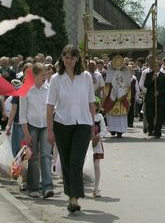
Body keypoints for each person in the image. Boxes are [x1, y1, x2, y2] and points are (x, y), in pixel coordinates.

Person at [47, 44, 96, 213]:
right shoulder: (56, 79)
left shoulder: (86, 77)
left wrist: (93, 126)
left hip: (82, 123)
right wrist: (50, 130)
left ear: (77, 59)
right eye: (66, 57)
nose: (69, 60)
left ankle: (74, 197)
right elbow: (50, 106)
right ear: (62, 58)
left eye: (72, 57)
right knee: (67, 163)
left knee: (76, 161)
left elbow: (91, 102)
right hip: (61, 124)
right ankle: (71, 197)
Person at [19, 63, 54, 199]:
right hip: (31, 126)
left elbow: (53, 109)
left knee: (46, 155)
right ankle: (33, 188)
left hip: (46, 126)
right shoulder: (26, 90)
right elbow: (22, 114)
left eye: (46, 75)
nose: (45, 78)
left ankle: (47, 187)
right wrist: (26, 133)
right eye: (42, 75)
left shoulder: (49, 89)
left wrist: (52, 128)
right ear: (34, 75)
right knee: (32, 157)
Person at [103, 54, 133, 138]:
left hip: (122, 98)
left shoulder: (126, 70)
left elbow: (128, 83)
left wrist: (122, 89)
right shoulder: (110, 70)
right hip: (112, 95)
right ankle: (112, 129)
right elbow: (107, 82)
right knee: (112, 113)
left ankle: (120, 131)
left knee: (121, 115)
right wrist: (111, 87)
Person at [144, 60, 165, 138]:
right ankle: (150, 128)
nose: (154, 67)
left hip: (160, 100)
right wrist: (152, 79)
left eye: (156, 66)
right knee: (149, 115)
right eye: (153, 66)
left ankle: (157, 130)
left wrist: (159, 93)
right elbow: (146, 85)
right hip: (150, 99)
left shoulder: (164, 76)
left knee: (160, 117)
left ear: (159, 66)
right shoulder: (149, 75)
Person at [92, 97, 107, 198]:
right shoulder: (84, 116)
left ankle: (96, 188)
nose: (93, 107)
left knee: (96, 165)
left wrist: (99, 136)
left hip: (96, 144)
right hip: (85, 144)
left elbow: (104, 130)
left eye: (94, 105)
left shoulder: (99, 117)